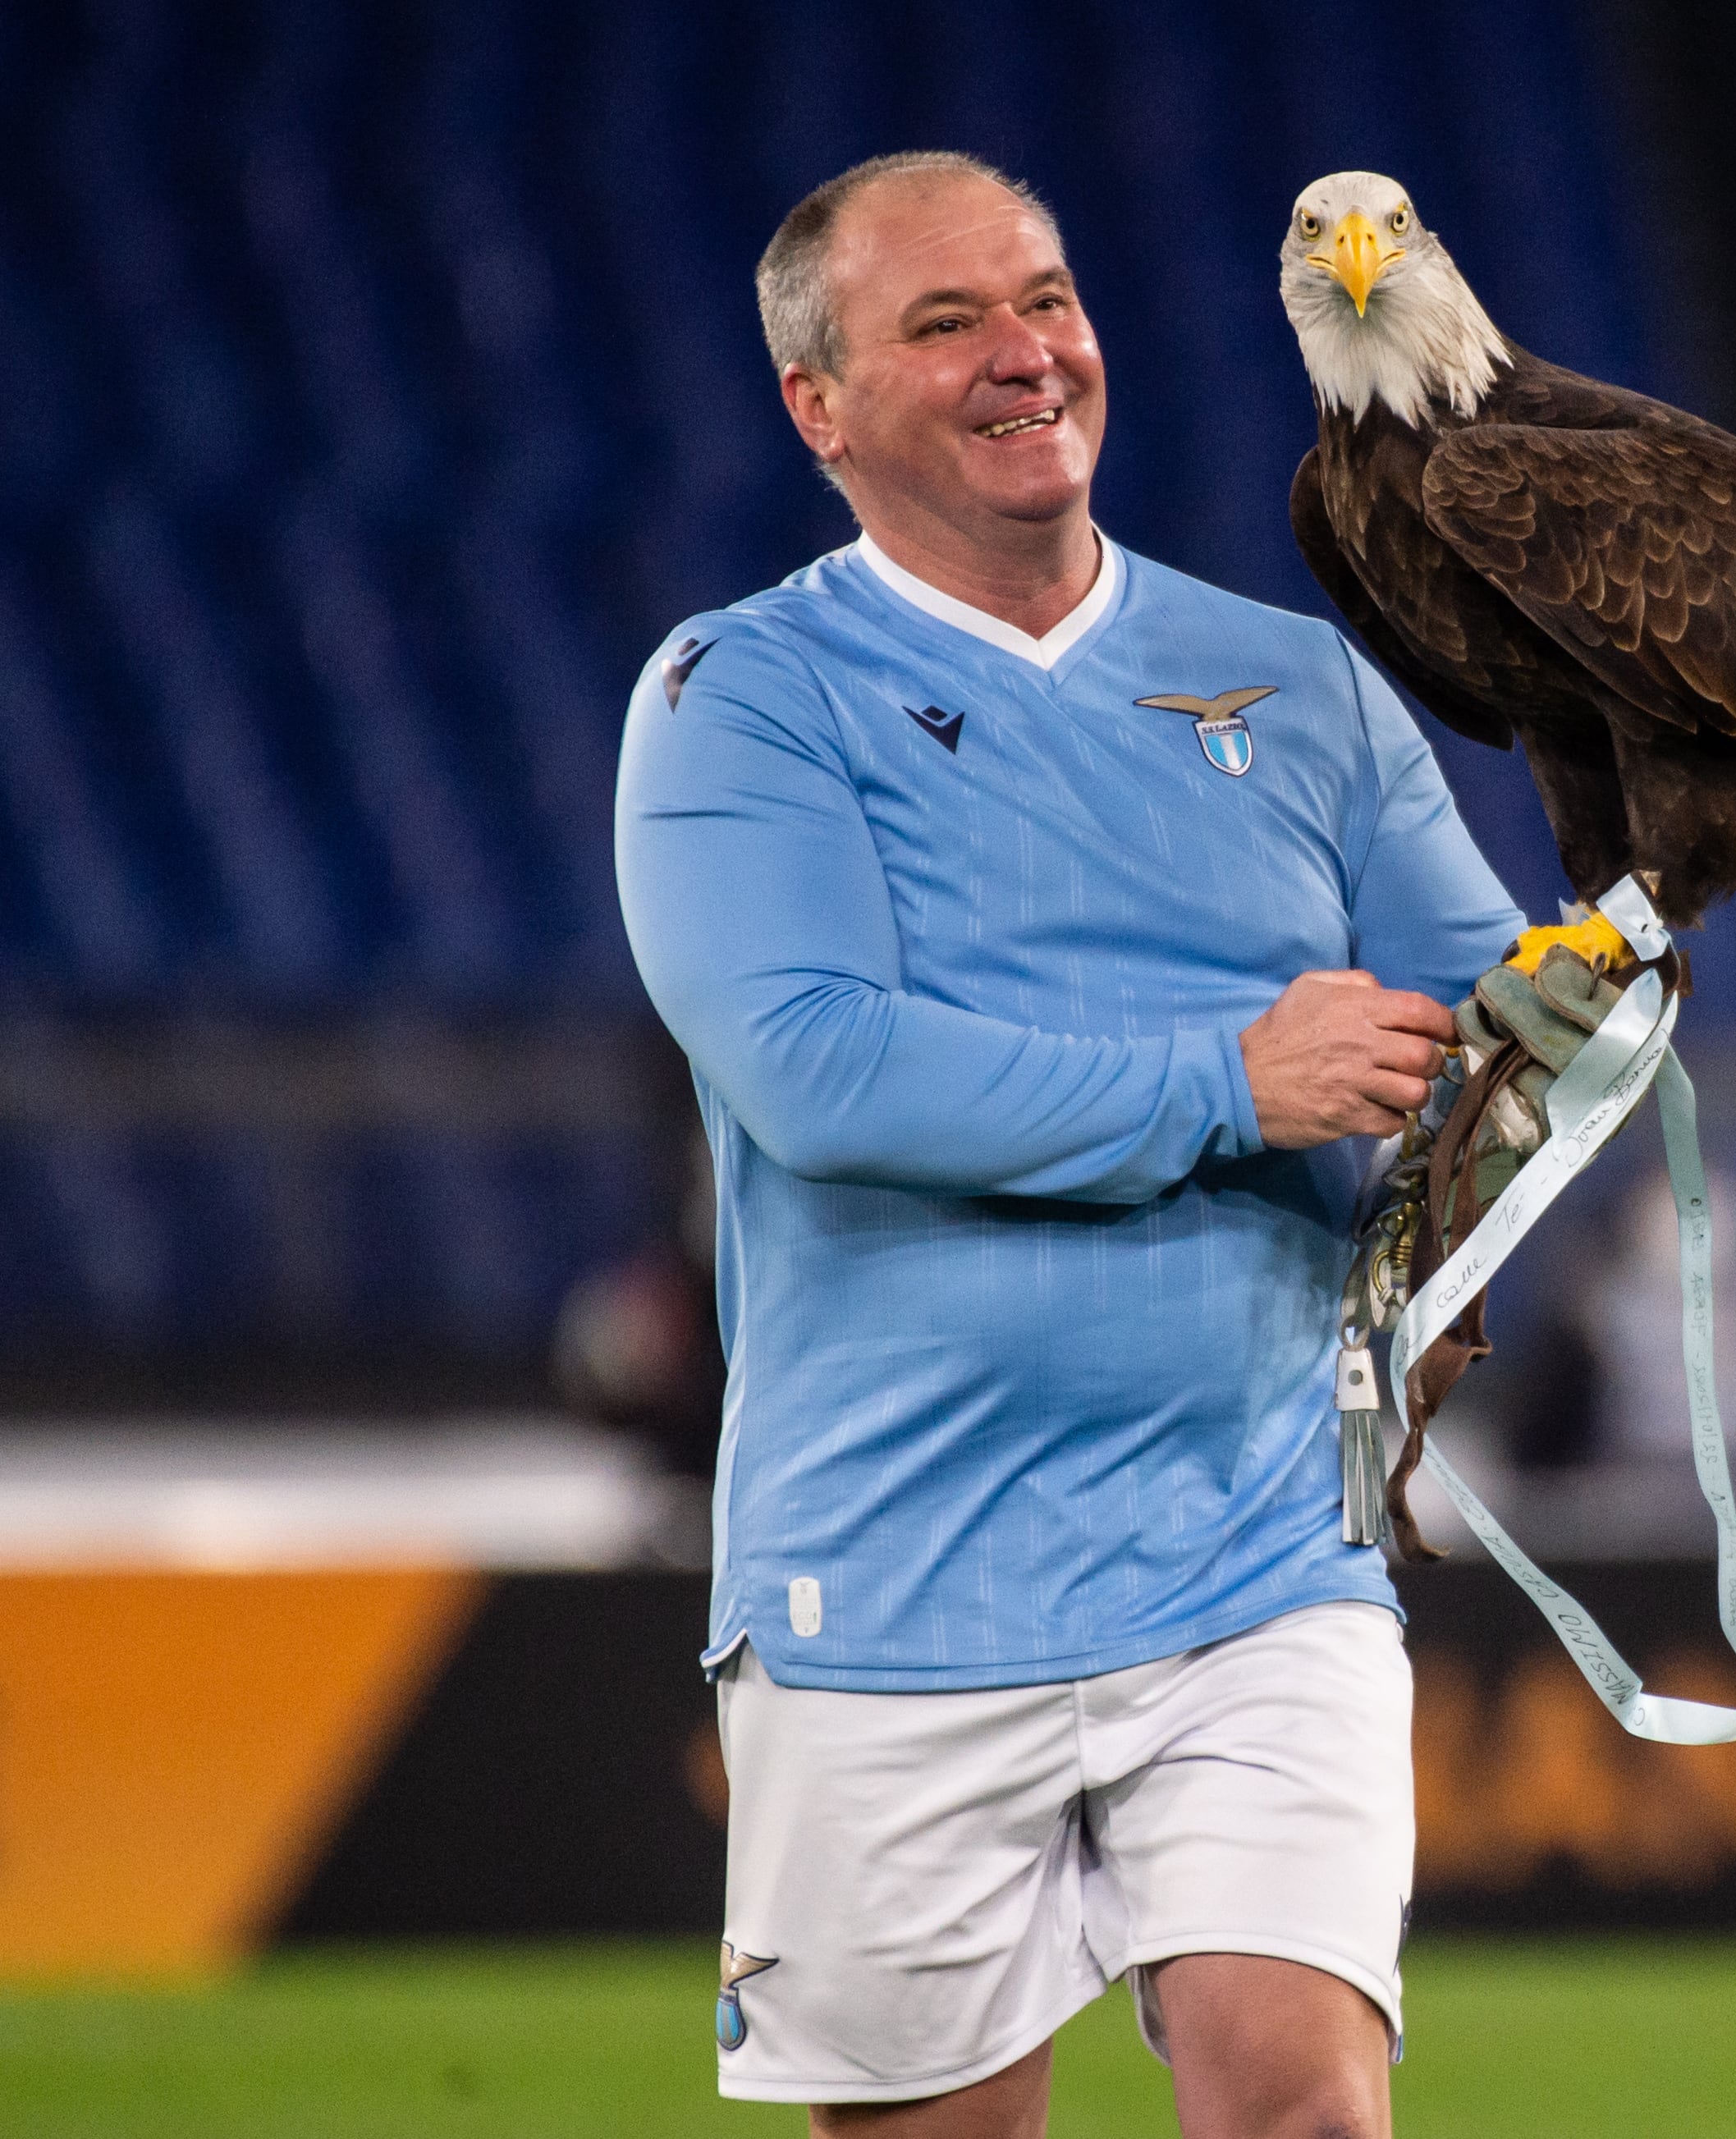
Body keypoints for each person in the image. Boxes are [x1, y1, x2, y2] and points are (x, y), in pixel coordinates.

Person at [613, 149, 1522, 2139]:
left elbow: (1493, 1049)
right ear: (819, 405)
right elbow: (815, 1069)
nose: (1029, 352)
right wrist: (1232, 1079)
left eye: (1045, 295)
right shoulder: (737, 694)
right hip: (890, 1581)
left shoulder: (1298, 681)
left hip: (1260, 1548)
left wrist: (1490, 1182)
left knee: (1301, 2104)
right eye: (947, 322)